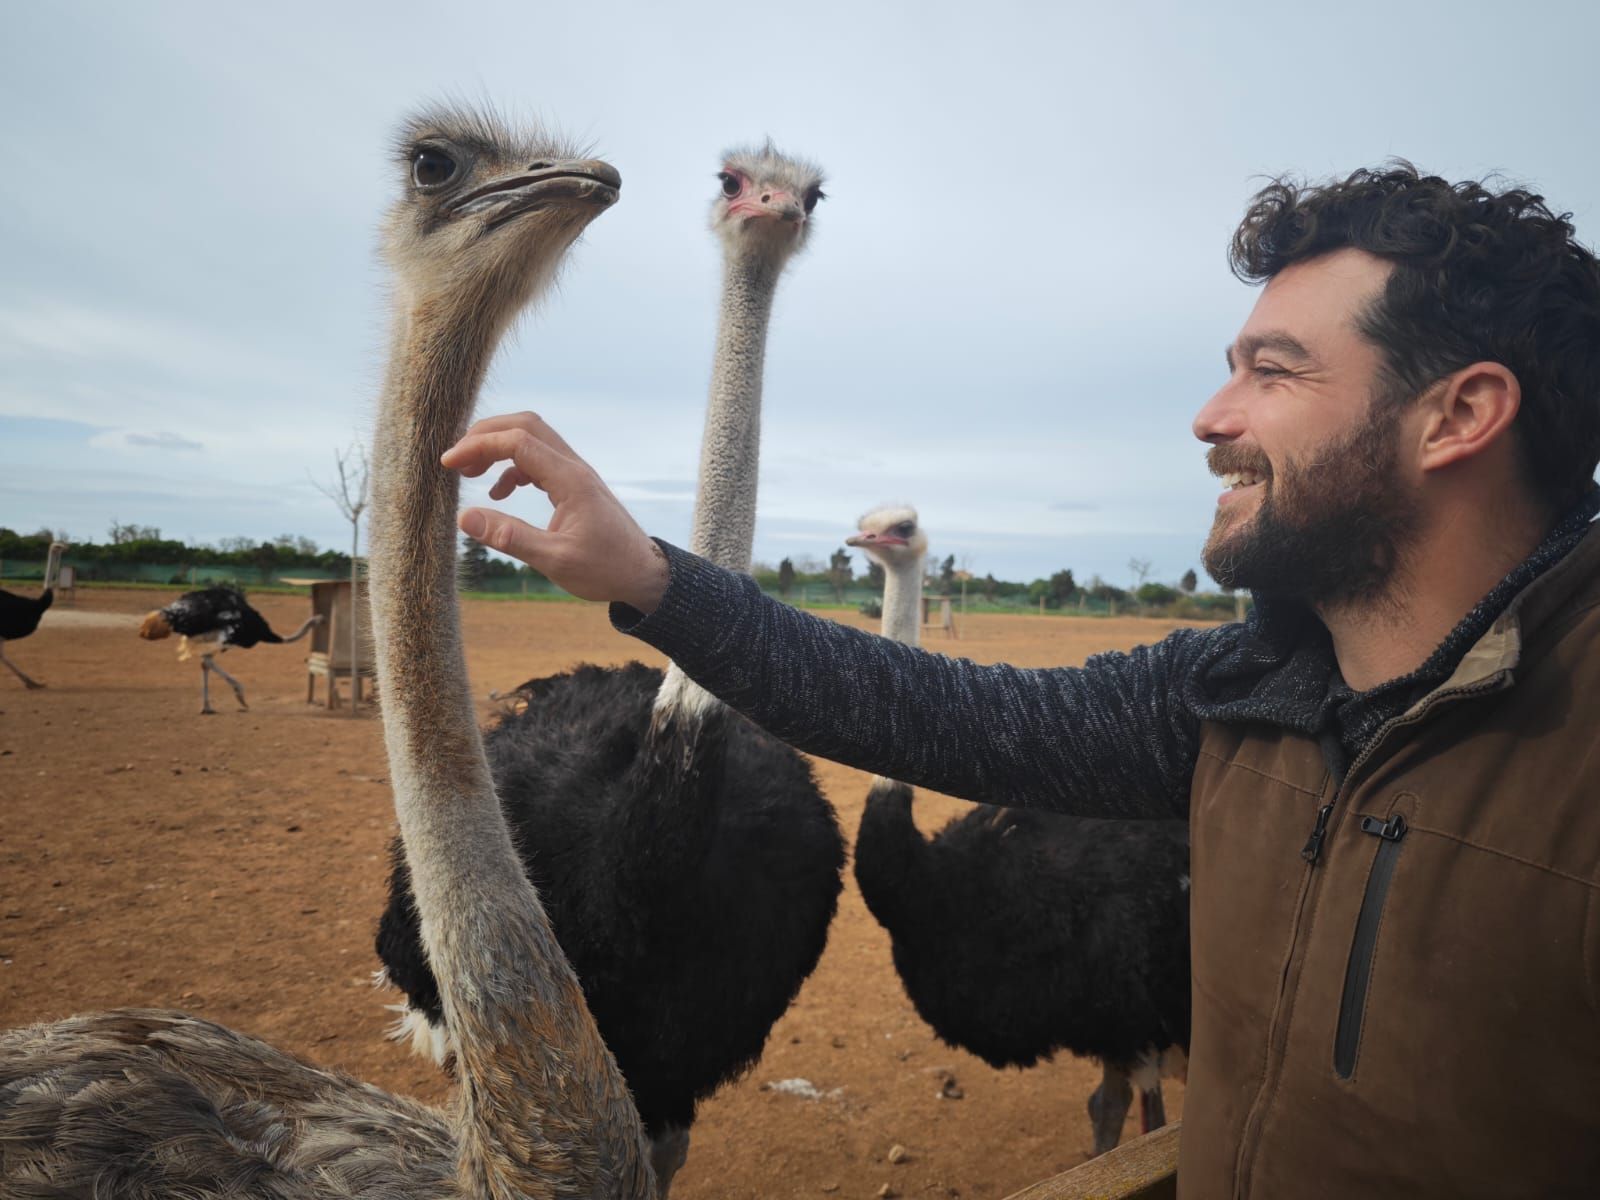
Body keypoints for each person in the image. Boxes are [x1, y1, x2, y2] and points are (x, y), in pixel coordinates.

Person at [440, 163, 1600, 1198]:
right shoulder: (1243, 694)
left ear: (1459, 416)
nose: (1210, 418)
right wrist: (650, 576)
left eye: (1273, 372)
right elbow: (941, 712)